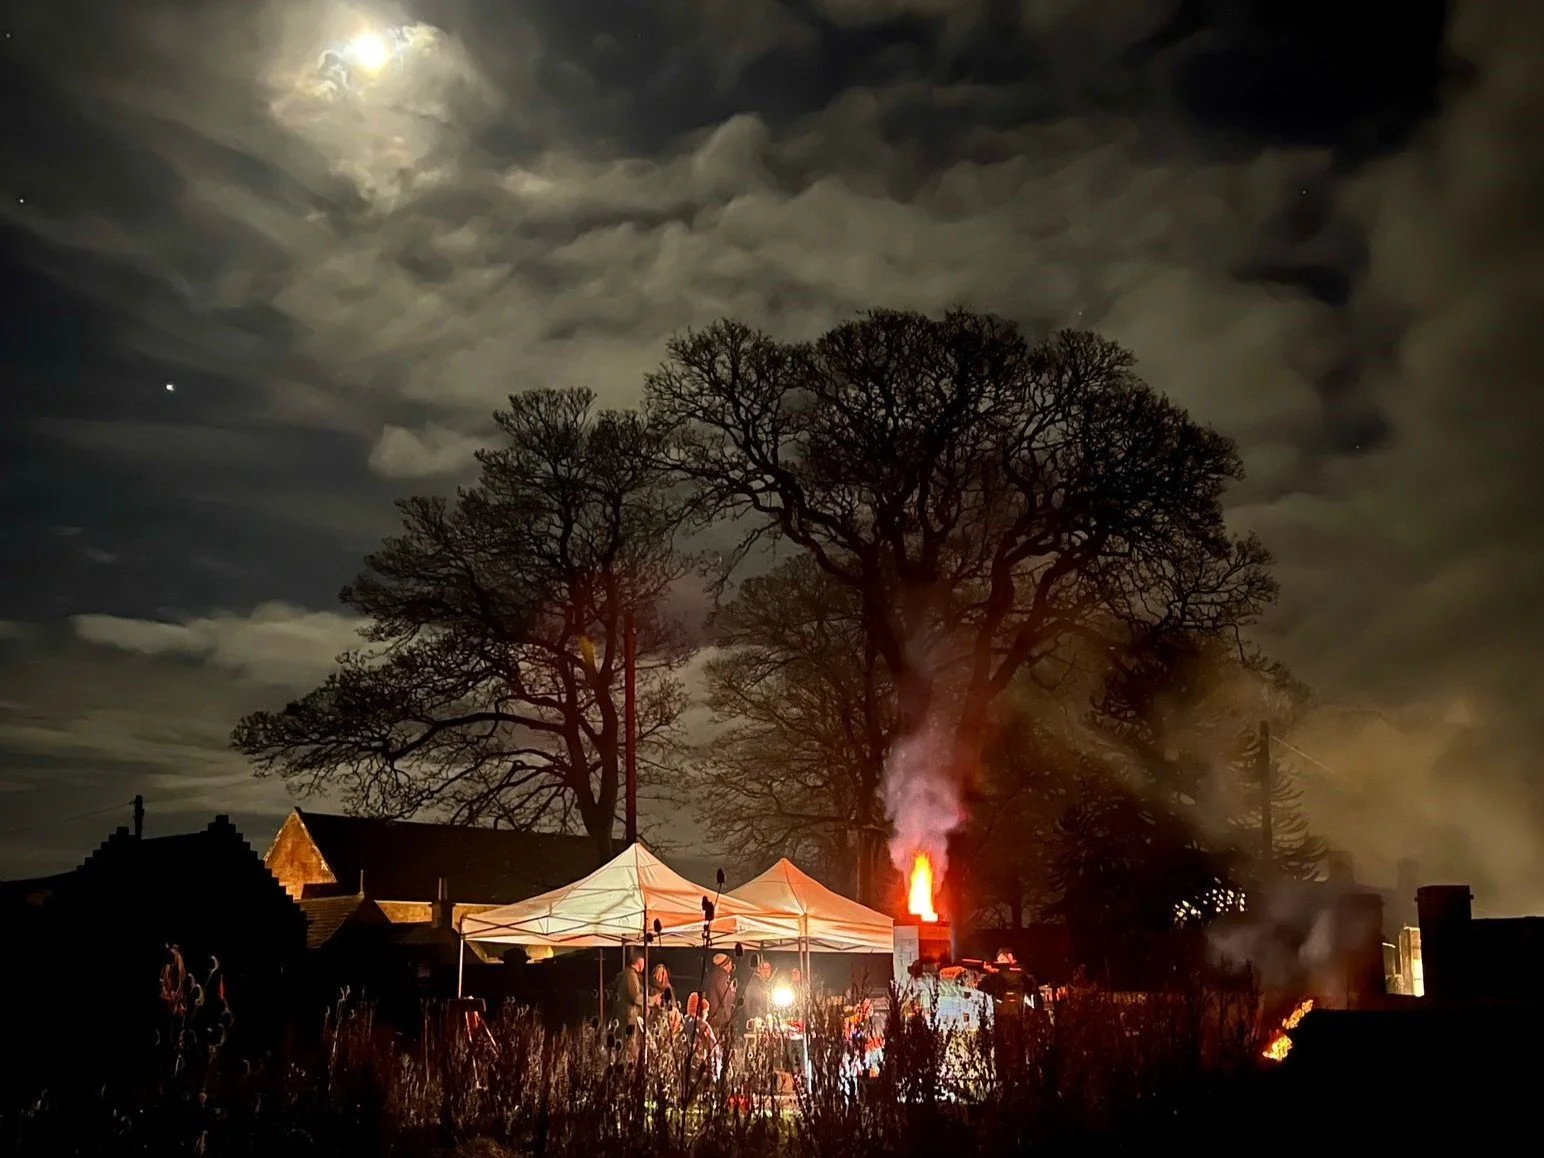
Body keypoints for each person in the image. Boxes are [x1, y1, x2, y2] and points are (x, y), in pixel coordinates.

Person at [611, 949, 646, 1045]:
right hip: (628, 1016)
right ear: (640, 963)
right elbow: (635, 997)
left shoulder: (627, 974)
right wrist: (650, 1000)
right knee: (629, 1044)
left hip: (624, 1015)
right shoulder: (631, 975)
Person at [702, 952, 738, 1042]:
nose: (731, 966)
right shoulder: (722, 976)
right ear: (725, 964)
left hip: (713, 1015)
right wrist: (733, 992)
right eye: (729, 963)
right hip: (719, 1018)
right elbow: (724, 997)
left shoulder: (713, 975)